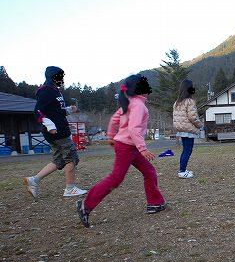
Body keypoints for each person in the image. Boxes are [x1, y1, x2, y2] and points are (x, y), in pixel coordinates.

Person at [76, 75, 166, 228]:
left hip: (128, 146)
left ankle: (155, 203)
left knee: (149, 171)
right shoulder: (138, 105)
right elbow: (133, 128)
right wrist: (142, 148)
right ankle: (86, 205)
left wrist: (111, 136)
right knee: (116, 178)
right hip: (127, 147)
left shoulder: (129, 103)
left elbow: (114, 120)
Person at [23, 66, 87, 198]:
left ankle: (34, 180)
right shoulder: (46, 91)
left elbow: (58, 111)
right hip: (57, 132)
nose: (62, 79)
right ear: (52, 77)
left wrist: (69, 109)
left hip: (57, 131)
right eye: (60, 76)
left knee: (59, 160)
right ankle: (70, 188)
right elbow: (38, 111)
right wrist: (48, 124)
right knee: (72, 158)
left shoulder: (55, 91)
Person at [173, 79, 203, 178]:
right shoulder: (190, 101)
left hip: (181, 130)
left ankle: (183, 170)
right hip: (188, 130)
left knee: (185, 150)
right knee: (188, 150)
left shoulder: (177, 102)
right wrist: (200, 125)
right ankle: (182, 171)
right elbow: (193, 117)